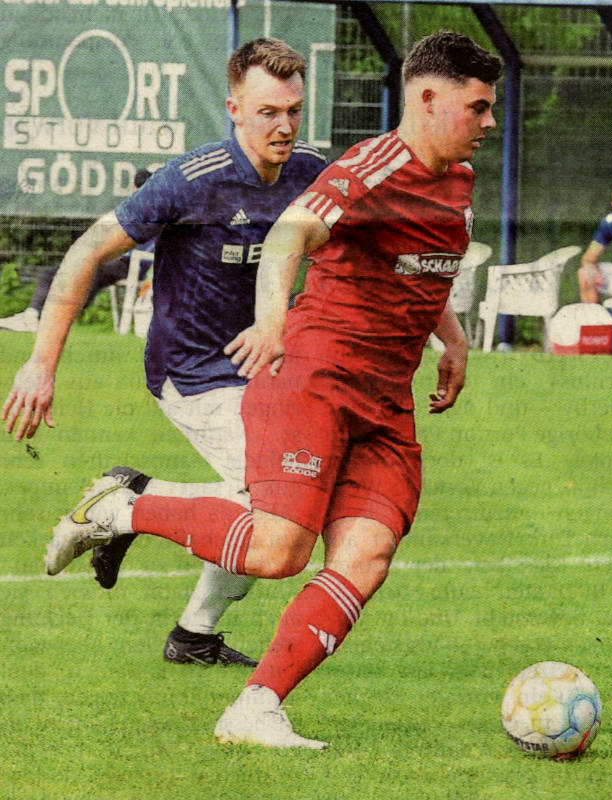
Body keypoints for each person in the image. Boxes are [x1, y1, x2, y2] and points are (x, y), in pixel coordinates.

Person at [37, 31, 501, 749]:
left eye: (292, 110)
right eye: (478, 107)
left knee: (363, 556)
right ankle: (125, 509)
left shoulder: (432, 176)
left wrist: (455, 340)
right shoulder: (332, 169)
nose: (489, 122)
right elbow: (287, 237)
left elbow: (416, 258)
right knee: (278, 542)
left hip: (378, 400)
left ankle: (252, 701)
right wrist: (271, 320)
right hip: (261, 375)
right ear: (429, 99)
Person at [2, 38, 326, 668]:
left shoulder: (313, 170)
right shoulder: (192, 180)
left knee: (285, 507)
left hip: (268, 374)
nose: (284, 125)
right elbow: (86, 252)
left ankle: (193, 631)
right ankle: (123, 508)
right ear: (234, 108)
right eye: (267, 112)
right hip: (193, 372)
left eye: (292, 109)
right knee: (278, 506)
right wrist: (40, 364)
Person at [0, 169, 154, 333]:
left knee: (89, 273)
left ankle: (56, 320)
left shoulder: (155, 212)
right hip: (109, 257)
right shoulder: (128, 209)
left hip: (129, 263)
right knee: (49, 273)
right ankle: (31, 315)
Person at [578, 182, 612, 304]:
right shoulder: (610, 222)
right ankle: (595, 321)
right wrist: (591, 269)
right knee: (585, 273)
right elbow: (588, 258)